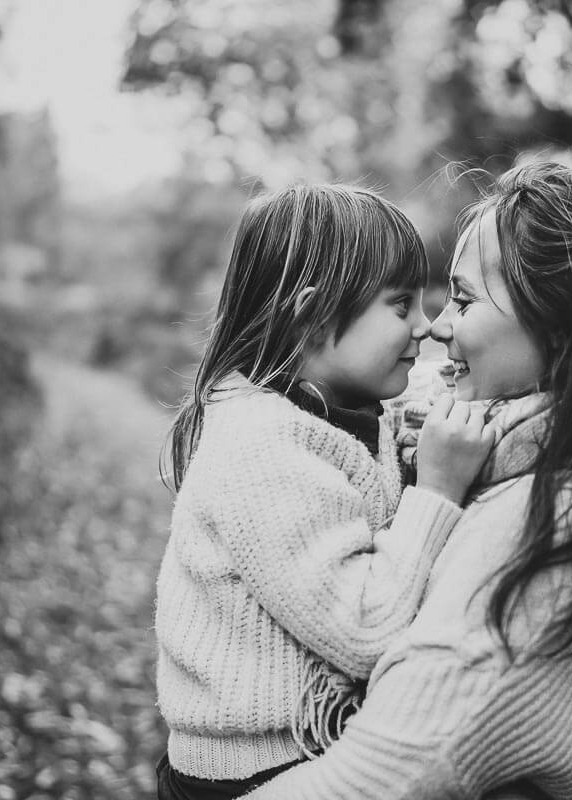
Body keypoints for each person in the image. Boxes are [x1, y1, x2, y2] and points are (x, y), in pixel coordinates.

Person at [242, 162, 572, 799]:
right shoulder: (516, 467)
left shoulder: (548, 517)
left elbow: (383, 778)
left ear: (562, 333)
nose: (437, 327)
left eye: (463, 299)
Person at [154, 183, 496, 799]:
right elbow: (365, 629)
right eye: (401, 305)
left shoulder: (343, 414)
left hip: (312, 752)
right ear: (310, 319)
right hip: (254, 774)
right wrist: (437, 492)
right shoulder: (261, 446)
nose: (426, 327)